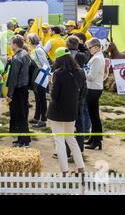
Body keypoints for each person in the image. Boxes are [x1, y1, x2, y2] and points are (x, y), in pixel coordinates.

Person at [47, 47, 86, 175]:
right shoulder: (80, 72)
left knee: (59, 141)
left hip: (57, 112)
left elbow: (54, 95)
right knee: (71, 139)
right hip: (71, 111)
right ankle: (81, 168)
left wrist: (50, 83)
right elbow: (83, 93)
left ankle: (64, 171)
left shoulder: (58, 74)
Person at [6, 35, 31, 147]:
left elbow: (13, 78)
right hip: (24, 88)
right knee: (23, 114)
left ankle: (24, 141)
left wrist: (9, 94)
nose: (10, 45)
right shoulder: (25, 54)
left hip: (18, 90)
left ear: (15, 44)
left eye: (11, 43)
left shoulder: (17, 58)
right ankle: (22, 138)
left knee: (19, 115)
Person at [84, 38, 105, 150]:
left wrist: (83, 72)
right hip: (93, 88)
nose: (89, 50)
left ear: (96, 47)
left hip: (93, 89)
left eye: (90, 48)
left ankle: (96, 141)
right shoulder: (97, 57)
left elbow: (91, 77)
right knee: (93, 115)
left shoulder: (97, 58)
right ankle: (94, 138)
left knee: (94, 115)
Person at [27, 34, 50, 128]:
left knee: (41, 98)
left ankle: (43, 120)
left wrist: (46, 76)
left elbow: (45, 64)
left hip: (42, 73)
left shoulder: (38, 50)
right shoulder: (37, 49)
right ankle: (37, 117)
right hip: (39, 73)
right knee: (37, 97)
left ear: (31, 41)